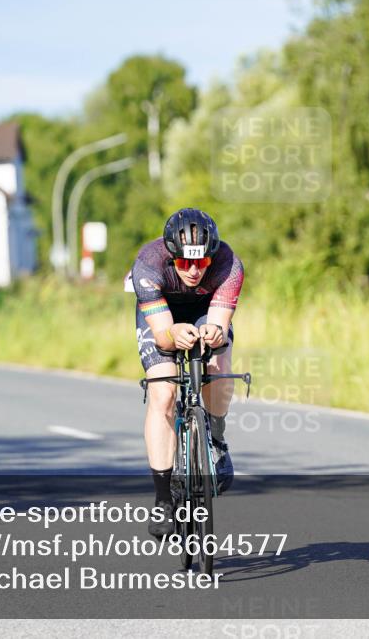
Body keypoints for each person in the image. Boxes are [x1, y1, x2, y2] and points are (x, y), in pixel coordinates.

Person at [129, 208, 245, 538]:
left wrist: (214, 333)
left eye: (201, 263)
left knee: (218, 365)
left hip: (204, 311)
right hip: (162, 312)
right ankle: (164, 499)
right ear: (171, 256)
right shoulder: (148, 266)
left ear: (212, 256)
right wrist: (172, 334)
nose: (193, 271)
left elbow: (220, 325)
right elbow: (163, 334)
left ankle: (216, 441)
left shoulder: (229, 265)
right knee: (163, 393)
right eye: (184, 263)